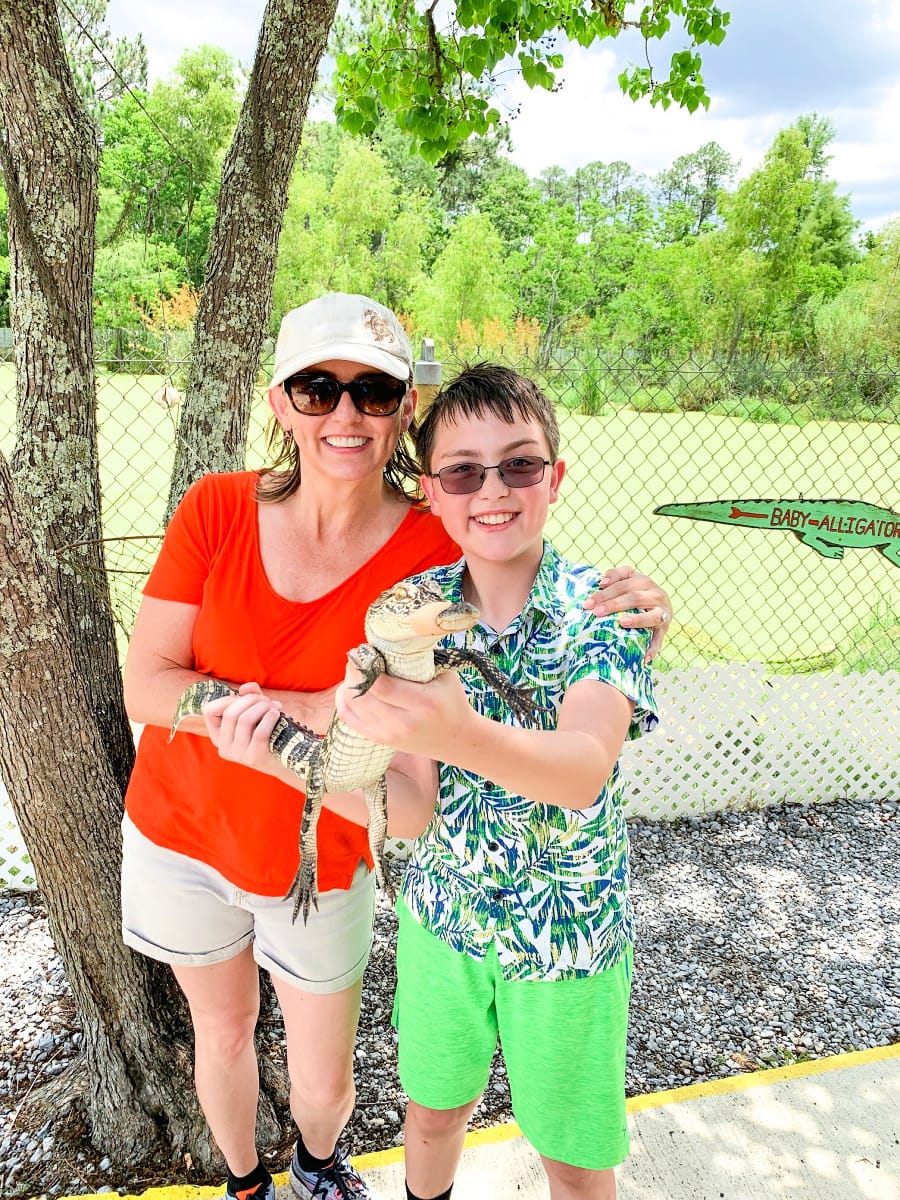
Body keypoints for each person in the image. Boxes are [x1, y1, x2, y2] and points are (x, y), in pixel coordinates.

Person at [122, 294, 671, 1200]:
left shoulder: (439, 549)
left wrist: (640, 609)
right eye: (317, 387)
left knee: (382, 1099)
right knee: (249, 1042)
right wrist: (315, 724)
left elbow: (554, 757)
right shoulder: (235, 514)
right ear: (279, 402)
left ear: (401, 411)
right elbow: (152, 685)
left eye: (374, 391)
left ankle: (317, 1166)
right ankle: (247, 1183)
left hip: (466, 900)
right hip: (241, 845)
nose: (345, 413)